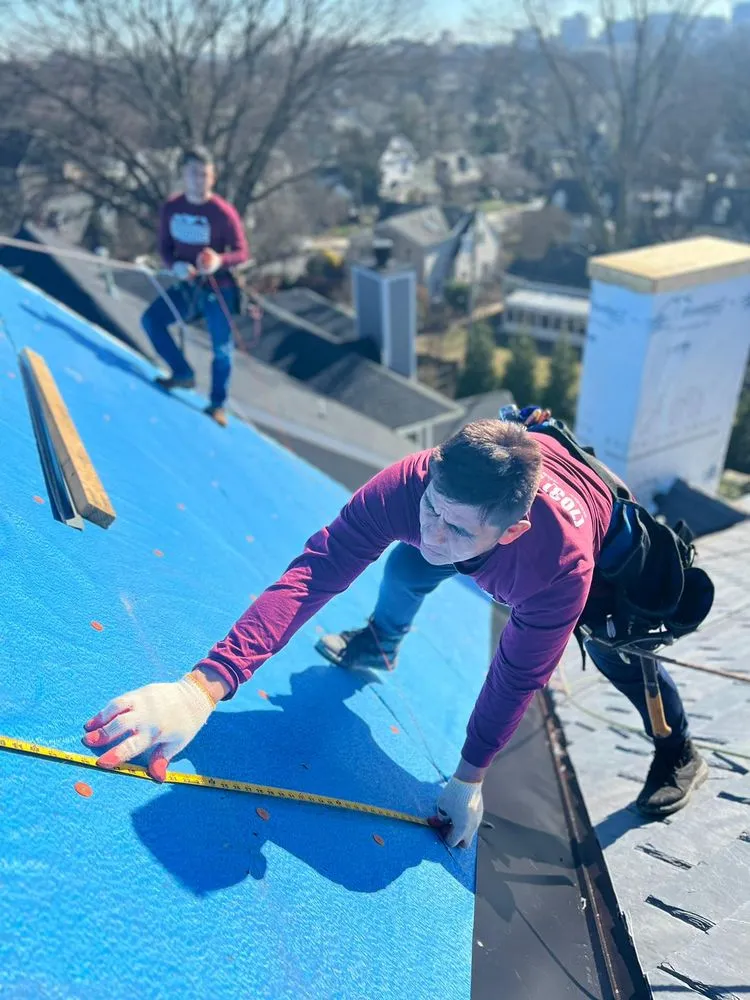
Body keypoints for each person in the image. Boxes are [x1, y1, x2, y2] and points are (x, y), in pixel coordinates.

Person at [81, 419, 708, 849]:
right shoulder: (416, 485)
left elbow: (516, 676)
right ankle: (380, 642)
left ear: (507, 533)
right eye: (431, 508)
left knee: (618, 658)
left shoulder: (556, 571)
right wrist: (201, 687)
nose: (434, 529)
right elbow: (320, 567)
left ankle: (677, 748)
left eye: (457, 530)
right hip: (522, 489)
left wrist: (469, 778)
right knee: (411, 560)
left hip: (604, 553)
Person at [141, 146, 249, 428]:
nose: (199, 180)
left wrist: (218, 260)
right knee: (152, 320)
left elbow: (241, 252)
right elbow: (164, 247)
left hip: (218, 286)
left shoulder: (223, 213)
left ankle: (217, 404)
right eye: (193, 174)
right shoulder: (172, 208)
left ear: (212, 178)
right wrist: (174, 265)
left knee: (221, 348)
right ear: (184, 176)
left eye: (204, 175)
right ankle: (181, 372)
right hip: (187, 283)